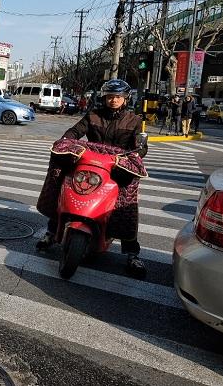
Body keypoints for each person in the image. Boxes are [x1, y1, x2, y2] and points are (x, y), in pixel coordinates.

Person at [35, 78, 148, 278]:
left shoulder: (134, 120)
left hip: (116, 169)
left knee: (126, 202)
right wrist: (66, 140)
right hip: (88, 164)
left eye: (118, 97)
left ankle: (132, 253)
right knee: (61, 184)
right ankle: (52, 232)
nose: (113, 100)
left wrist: (139, 151)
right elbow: (75, 131)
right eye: (110, 96)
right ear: (104, 97)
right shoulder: (93, 115)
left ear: (125, 99)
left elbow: (140, 145)